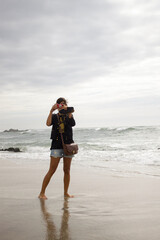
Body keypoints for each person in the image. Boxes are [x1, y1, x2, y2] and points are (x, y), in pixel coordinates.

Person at [38, 97, 76, 199]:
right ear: (57, 105)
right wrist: (51, 111)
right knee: (52, 170)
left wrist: (68, 112)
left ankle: (66, 192)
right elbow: (48, 123)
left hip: (68, 145)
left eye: (64, 104)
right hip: (56, 146)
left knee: (67, 170)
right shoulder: (54, 116)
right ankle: (42, 193)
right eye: (60, 104)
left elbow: (73, 124)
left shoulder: (69, 115)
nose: (62, 106)